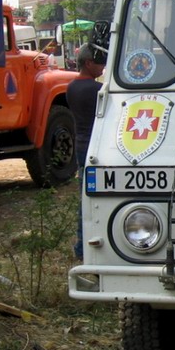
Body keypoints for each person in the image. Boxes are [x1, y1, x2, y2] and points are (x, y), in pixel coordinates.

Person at [67, 43, 106, 259]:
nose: (102, 66)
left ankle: (81, 246)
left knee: (84, 196)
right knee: (93, 199)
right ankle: (85, 246)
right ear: (88, 63)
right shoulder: (96, 90)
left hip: (80, 145)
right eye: (99, 62)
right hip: (95, 146)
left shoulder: (71, 87)